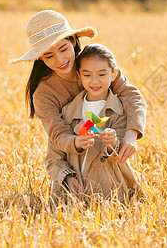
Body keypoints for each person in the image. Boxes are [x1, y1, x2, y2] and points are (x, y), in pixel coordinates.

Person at [10, 10, 146, 195]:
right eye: (49, 56)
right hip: (73, 163)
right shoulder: (43, 93)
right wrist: (77, 141)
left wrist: (131, 135)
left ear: (73, 40)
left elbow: (132, 96)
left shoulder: (97, 64)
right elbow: (57, 135)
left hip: (109, 165)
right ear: (40, 57)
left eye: (63, 49)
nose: (60, 60)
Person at [45, 44, 141, 201]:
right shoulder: (67, 112)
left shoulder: (120, 112)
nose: (95, 81)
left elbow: (120, 155)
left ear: (113, 74)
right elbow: (52, 158)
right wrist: (67, 178)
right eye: (87, 75)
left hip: (110, 197)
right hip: (70, 200)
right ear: (79, 75)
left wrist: (112, 143)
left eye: (102, 74)